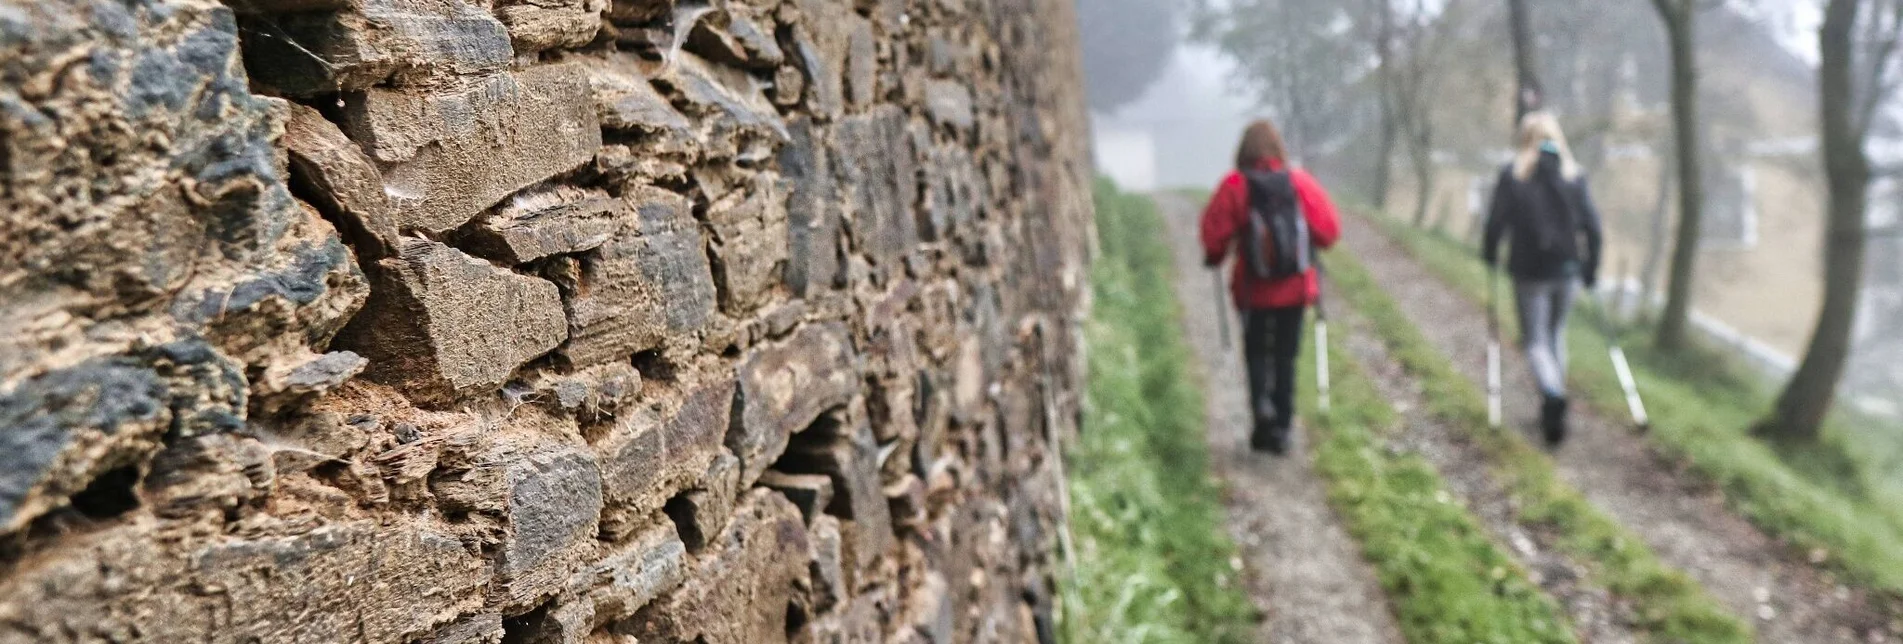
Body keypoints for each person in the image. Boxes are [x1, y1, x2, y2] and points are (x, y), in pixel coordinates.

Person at [1200, 119, 1343, 454]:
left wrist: (1215, 256)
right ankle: (1283, 426)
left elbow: (1214, 236)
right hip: (1294, 288)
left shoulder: (1236, 185)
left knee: (1256, 353)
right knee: (1285, 356)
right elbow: (1329, 232)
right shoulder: (1299, 182)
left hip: (1253, 292)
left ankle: (1261, 416)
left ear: (1244, 151)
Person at [1482, 112, 1604, 445]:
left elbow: (1496, 222)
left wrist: (1490, 253)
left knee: (1535, 341)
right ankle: (1555, 402)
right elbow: (1592, 228)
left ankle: (1552, 396)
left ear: (1525, 139)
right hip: (1567, 271)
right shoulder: (1574, 176)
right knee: (1555, 334)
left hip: (1529, 271)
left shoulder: (1514, 176)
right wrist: (1591, 269)